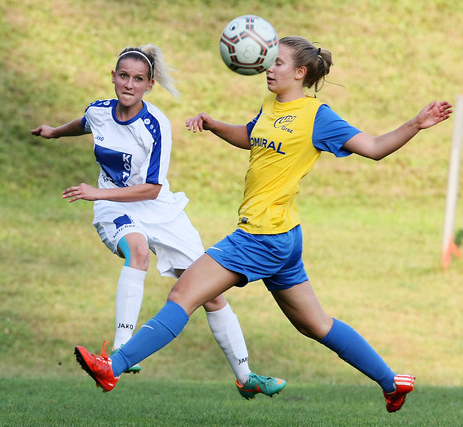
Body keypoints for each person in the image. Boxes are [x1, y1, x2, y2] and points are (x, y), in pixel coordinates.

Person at [73, 36, 452, 412]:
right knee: (315, 325)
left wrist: (416, 124)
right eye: (269, 61)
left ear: (300, 73)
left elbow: (373, 147)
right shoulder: (271, 104)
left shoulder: (317, 116)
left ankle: (114, 367)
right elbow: (253, 137)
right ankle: (391, 382)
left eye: (277, 63)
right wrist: (213, 124)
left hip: (260, 236)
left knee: (182, 296)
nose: (268, 68)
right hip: (283, 236)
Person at [31, 44, 285, 399]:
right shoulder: (99, 111)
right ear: (113, 77)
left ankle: (246, 376)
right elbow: (85, 124)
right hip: (114, 209)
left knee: (209, 292)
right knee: (137, 250)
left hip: (158, 209)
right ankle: (121, 350)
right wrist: (55, 132)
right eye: (123, 76)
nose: (129, 85)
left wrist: (97, 192)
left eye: (138, 79)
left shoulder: (155, 125)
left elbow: (151, 189)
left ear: (150, 84)